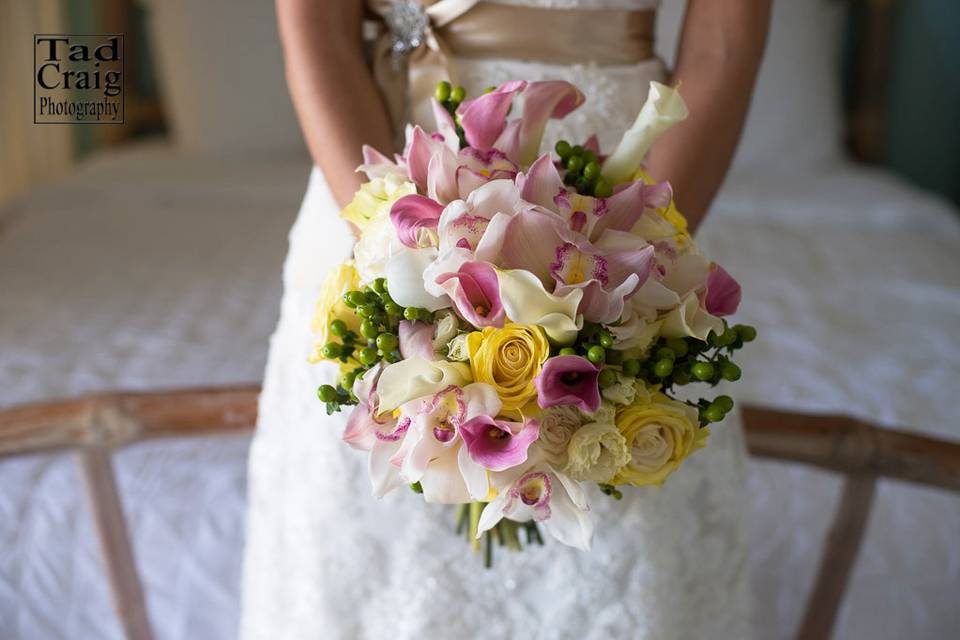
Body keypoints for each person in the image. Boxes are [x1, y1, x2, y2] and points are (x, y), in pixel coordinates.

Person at [241, 1, 770, 638]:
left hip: (622, 186)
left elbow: (722, 44)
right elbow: (318, 29)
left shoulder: (634, 240)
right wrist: (400, 255)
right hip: (375, 184)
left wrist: (636, 262)